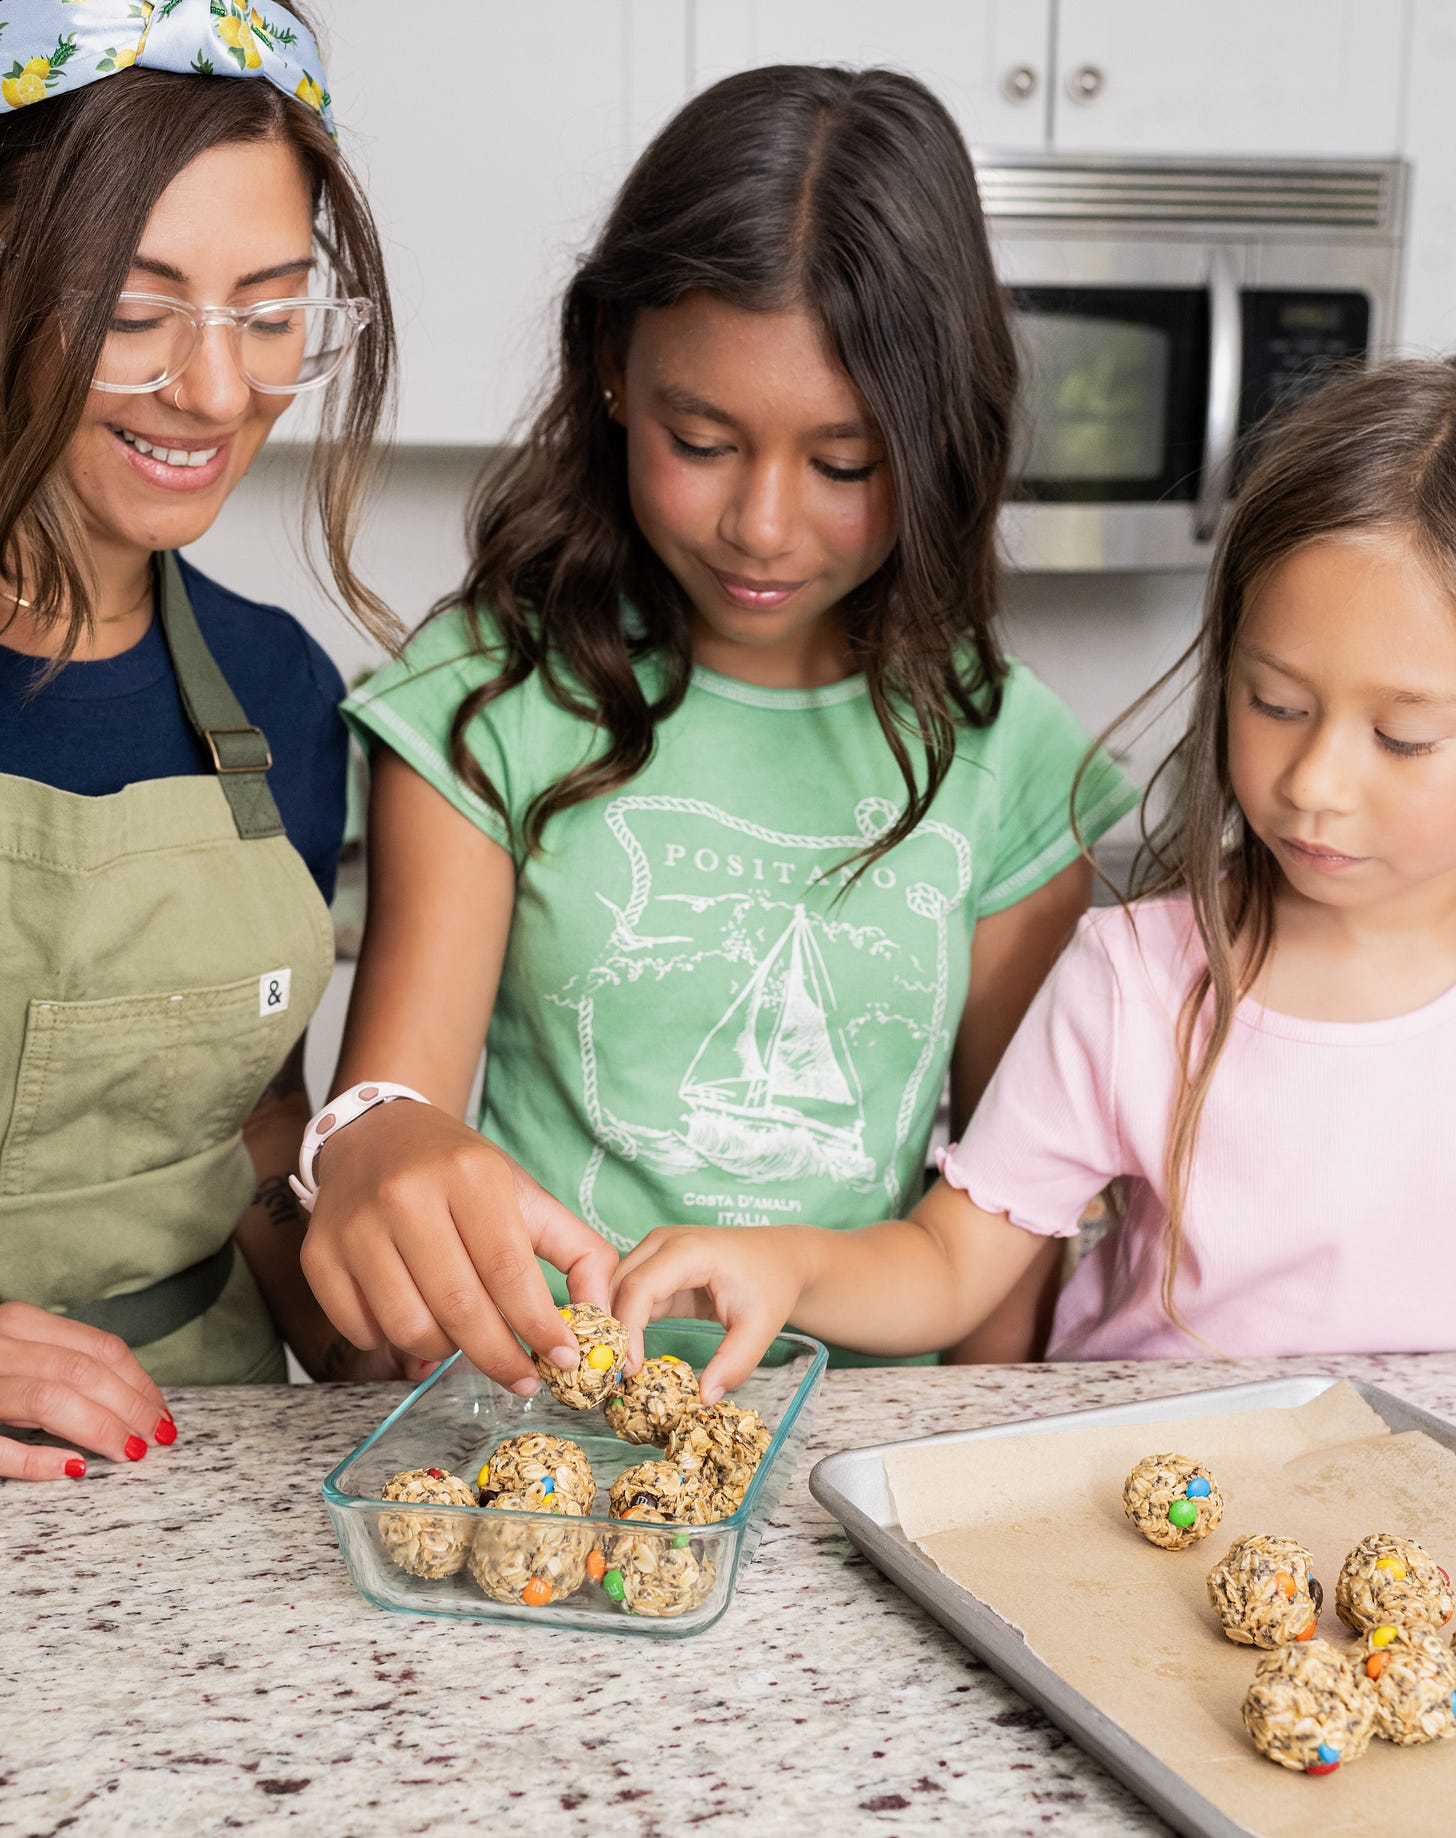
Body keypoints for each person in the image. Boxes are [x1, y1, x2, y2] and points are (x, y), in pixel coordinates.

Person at [300, 64, 1136, 1391]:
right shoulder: (489, 703)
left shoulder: (1015, 760)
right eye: (702, 439)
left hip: (858, 1451)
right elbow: (385, 1125)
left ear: (938, 443)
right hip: (537, 1424)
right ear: (614, 373)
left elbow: (1006, 1223)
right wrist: (370, 1168)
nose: (762, 525)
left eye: (848, 465)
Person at [607, 357, 1456, 1398]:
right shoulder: (1135, 978)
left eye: (1402, 735)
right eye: (1274, 702)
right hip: (1136, 1486)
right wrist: (782, 1263)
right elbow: (952, 1262)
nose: (1315, 781)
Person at [0, 0, 402, 1484]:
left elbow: (245, 1141)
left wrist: (385, 1321)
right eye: (134, 309)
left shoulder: (280, 692)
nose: (219, 390)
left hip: (205, 1467)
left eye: (269, 308)